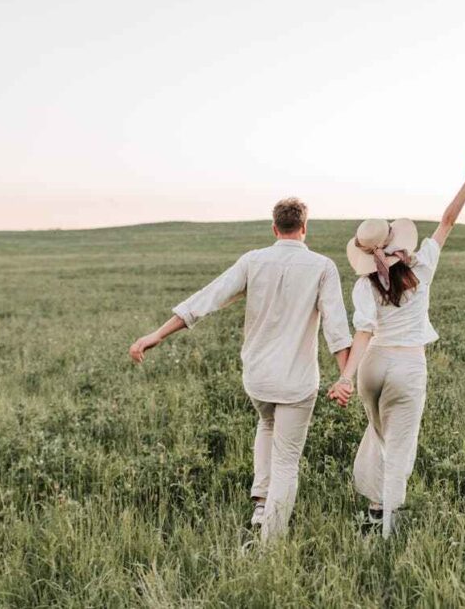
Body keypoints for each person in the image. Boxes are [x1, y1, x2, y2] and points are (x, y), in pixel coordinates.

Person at [129, 198, 352, 542]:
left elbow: (208, 298)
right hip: (296, 380)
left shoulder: (253, 260)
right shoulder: (322, 266)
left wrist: (156, 334)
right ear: (305, 228)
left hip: (258, 378)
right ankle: (271, 543)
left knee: (266, 423)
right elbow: (336, 328)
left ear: (275, 228)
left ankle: (262, 505)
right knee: (287, 460)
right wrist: (344, 378)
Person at [327, 152, 465, 537]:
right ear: (396, 240)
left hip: (373, 367)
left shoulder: (364, 285)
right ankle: (387, 529)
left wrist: (347, 376)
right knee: (400, 446)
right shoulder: (422, 266)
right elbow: (447, 221)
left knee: (380, 436)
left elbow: (363, 329)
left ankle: (375, 511)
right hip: (409, 365)